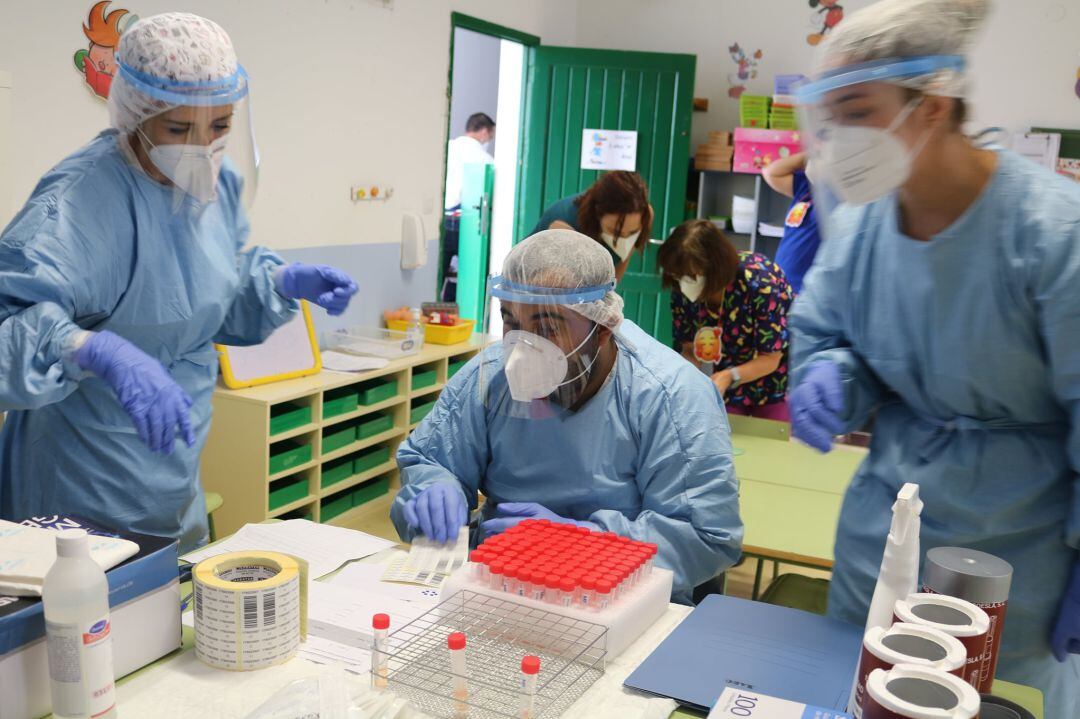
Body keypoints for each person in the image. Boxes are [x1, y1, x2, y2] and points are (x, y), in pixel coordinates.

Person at [788, 0, 1079, 713]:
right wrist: (832, 376)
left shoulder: (1050, 232)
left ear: (932, 102)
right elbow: (831, 335)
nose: (841, 138)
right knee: (868, 694)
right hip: (884, 535)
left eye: (858, 109)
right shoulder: (860, 228)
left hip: (1020, 551)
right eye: (833, 116)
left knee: (995, 701)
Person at [0, 13, 357, 553]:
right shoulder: (75, 203)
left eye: (219, 126)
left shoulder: (218, 184)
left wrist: (278, 282)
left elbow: (202, 299)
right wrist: (89, 347)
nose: (202, 147)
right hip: (74, 491)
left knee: (169, 626)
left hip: (171, 479)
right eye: (177, 128)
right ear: (134, 114)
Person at [390, 229, 743, 604]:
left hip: (623, 603)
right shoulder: (492, 376)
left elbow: (707, 537)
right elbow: (429, 457)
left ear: (602, 330)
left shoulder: (672, 397)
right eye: (511, 321)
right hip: (500, 585)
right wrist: (434, 485)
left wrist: (580, 544)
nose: (523, 347)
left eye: (547, 327)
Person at [658, 220, 793, 421]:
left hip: (772, 384)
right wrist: (684, 386)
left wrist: (730, 376)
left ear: (715, 267)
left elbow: (771, 357)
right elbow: (688, 350)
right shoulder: (682, 290)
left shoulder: (761, 282)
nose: (684, 283)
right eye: (678, 276)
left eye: (691, 275)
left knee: (770, 442)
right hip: (723, 387)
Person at [530, 171, 653, 282]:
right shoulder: (562, 226)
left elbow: (621, 261)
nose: (624, 239)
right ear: (597, 214)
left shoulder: (644, 216)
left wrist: (609, 291)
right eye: (615, 232)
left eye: (632, 233)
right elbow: (558, 290)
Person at [442, 112, 495, 301]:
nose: (488, 140)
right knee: (470, 275)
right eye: (490, 136)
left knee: (439, 272)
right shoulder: (484, 159)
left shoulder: (447, 147)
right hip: (466, 223)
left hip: (442, 220)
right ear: (484, 132)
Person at [762, 151, 821, 294]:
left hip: (806, 293)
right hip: (780, 287)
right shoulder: (805, 187)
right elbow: (770, 172)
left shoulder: (841, 198)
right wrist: (809, 154)